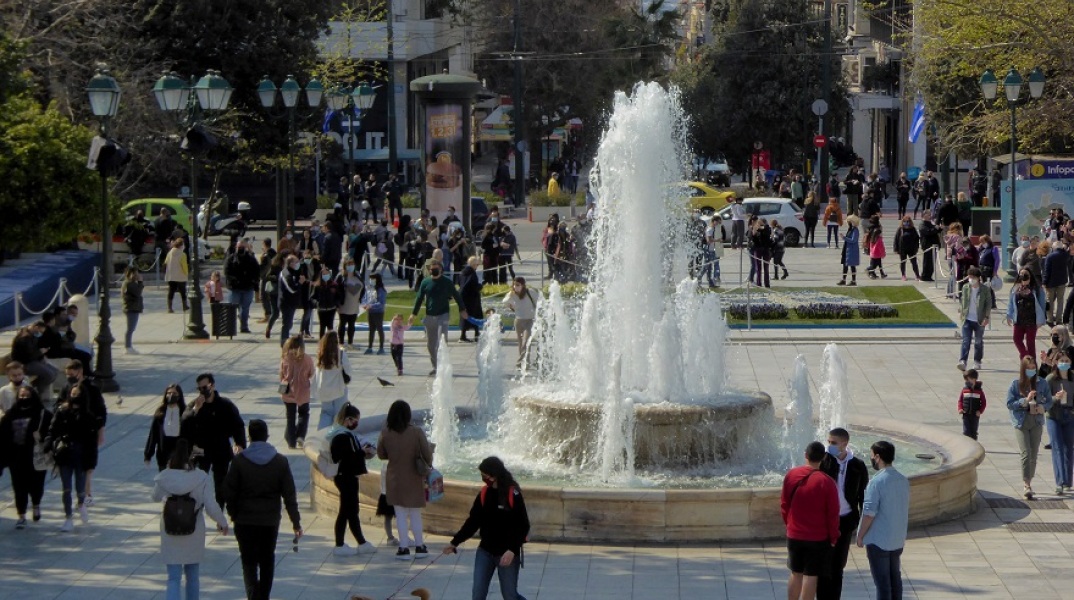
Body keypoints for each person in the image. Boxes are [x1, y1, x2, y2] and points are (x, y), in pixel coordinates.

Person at [222, 419, 302, 600]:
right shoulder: (280, 462)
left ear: (249, 437)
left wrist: (233, 513)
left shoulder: (240, 462)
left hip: (245, 520)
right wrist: (296, 522)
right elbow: (289, 495)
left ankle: (253, 596)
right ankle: (263, 596)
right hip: (270, 520)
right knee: (267, 560)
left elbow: (229, 491)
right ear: (267, 436)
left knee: (248, 562)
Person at [443, 456, 531, 600]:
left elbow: (523, 525)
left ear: (494, 475)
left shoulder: (512, 494)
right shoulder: (484, 494)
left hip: (507, 553)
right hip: (485, 551)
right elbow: (473, 522)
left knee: (510, 595)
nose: (483, 478)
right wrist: (454, 542)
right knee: (478, 594)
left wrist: (512, 550)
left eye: (485, 475)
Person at [152, 439, 229, 600]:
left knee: (173, 577)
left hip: (170, 528)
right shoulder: (201, 477)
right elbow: (210, 505)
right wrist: (222, 522)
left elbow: (155, 497)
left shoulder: (165, 477)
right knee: (192, 576)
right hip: (193, 529)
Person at [781, 441, 840, 600]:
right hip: (817, 538)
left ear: (805, 455)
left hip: (794, 535)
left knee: (795, 573)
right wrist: (834, 537)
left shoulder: (791, 475)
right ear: (823, 458)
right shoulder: (827, 482)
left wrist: (790, 525)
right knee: (811, 576)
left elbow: (784, 504)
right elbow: (833, 514)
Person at [377, 400, 434, 560]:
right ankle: (420, 546)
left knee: (400, 514)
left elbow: (381, 454)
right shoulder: (416, 432)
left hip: (394, 478)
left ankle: (403, 548)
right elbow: (427, 455)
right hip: (414, 477)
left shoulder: (385, 433)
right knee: (415, 513)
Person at [817, 429, 869, 600]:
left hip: (846, 521)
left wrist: (860, 521)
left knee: (838, 566)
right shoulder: (824, 462)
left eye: (833, 442)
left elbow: (863, 494)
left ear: (844, 444)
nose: (829, 445)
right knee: (823, 566)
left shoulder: (857, 465)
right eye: (828, 442)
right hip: (825, 522)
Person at [856, 441, 911, 600]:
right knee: (895, 580)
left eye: (872, 455)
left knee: (883, 584)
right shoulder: (902, 479)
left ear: (878, 457)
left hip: (879, 540)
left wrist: (860, 535)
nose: (871, 459)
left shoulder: (877, 482)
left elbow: (869, 513)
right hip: (897, 539)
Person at [181, 373, 246, 508]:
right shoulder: (195, 404)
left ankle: (219, 511)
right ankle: (196, 509)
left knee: (221, 482)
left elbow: (238, 425)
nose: (202, 391)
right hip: (200, 449)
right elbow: (185, 422)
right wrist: (195, 410)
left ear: (212, 385)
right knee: (198, 481)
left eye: (205, 387)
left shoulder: (225, 404)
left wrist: (239, 443)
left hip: (220, 449)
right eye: (199, 389)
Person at [325, 403, 377, 556]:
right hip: (346, 477)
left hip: (346, 477)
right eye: (355, 420)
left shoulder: (340, 433)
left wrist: (361, 451)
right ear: (348, 419)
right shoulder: (342, 436)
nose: (356, 424)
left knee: (351, 510)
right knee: (347, 511)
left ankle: (361, 542)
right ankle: (341, 544)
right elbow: (345, 458)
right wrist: (362, 452)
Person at [47, 383, 98, 531]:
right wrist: (49, 445)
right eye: (72, 394)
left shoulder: (88, 416)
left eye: (77, 394)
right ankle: (68, 517)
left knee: (80, 487)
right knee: (66, 488)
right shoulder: (62, 411)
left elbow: (91, 442)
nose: (74, 397)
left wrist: (91, 464)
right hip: (65, 454)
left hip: (81, 456)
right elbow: (53, 430)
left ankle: (81, 504)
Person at [0, 386, 51, 529]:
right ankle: (21, 515)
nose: (23, 398)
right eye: (21, 396)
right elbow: (2, 436)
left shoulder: (43, 414)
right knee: (19, 486)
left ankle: (36, 505)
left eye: (27, 395)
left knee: (36, 485)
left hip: (36, 456)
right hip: (16, 457)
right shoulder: (11, 415)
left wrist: (42, 438)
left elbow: (52, 432)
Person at [56, 361, 106, 506]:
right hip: (71, 433)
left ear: (80, 371)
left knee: (89, 464)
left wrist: (101, 430)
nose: (70, 378)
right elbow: (57, 405)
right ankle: (80, 493)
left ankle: (87, 492)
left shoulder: (92, 388)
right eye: (67, 375)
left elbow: (101, 411)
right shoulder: (66, 387)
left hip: (89, 432)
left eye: (72, 374)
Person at [410, 260, 468, 376]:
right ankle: (435, 366)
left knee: (442, 341)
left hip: (443, 315)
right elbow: (419, 298)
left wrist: (462, 309)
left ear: (440, 269)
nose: (433, 270)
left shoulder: (446, 282)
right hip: (430, 315)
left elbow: (456, 296)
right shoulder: (425, 282)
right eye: (431, 269)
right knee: (431, 345)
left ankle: (443, 366)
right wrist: (413, 314)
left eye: (435, 268)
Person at [1007, 356, 1053, 499]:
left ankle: (1030, 479)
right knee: (1026, 452)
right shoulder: (1016, 384)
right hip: (1021, 421)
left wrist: (1043, 407)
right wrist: (1024, 400)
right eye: (1029, 369)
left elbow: (1049, 401)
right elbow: (1009, 403)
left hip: (1036, 421)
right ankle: (1026, 484)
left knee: (1034, 453)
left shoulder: (1042, 383)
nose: (1031, 371)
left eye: (1034, 368)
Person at [278, 335, 314, 450]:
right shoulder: (307, 358)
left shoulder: (285, 358)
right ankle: (301, 435)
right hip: (302, 389)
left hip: (288, 389)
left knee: (290, 417)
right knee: (304, 413)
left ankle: (291, 442)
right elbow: (311, 373)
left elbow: (281, 374)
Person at [1046, 355, 1074, 495]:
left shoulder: (1072, 378)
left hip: (1069, 415)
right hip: (1054, 416)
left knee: (1069, 448)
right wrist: (1055, 397)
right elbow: (1043, 398)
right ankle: (1060, 482)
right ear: (1056, 362)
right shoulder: (1051, 379)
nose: (1064, 363)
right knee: (1057, 448)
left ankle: (1068, 482)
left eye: (1067, 361)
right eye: (1061, 361)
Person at [312, 331, 352, 430]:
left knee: (325, 413)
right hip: (338, 389)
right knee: (339, 415)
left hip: (324, 389)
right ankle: (336, 435)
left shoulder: (320, 354)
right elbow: (348, 372)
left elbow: (316, 373)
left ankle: (321, 434)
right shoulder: (341, 354)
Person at [144, 384, 187, 471]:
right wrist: (148, 455)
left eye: (174, 393)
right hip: (164, 451)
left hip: (179, 451)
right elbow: (153, 434)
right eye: (169, 393)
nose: (171, 395)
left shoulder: (184, 412)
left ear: (179, 395)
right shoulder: (161, 412)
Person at [1005, 269, 1046, 360]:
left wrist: (1041, 320)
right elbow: (1011, 303)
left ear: (1030, 276)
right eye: (1021, 274)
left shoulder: (1037, 289)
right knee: (1017, 339)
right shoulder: (1015, 288)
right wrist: (1009, 315)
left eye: (1025, 274)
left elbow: (1042, 305)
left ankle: (1032, 367)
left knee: (1030, 343)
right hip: (1018, 319)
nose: (1023, 276)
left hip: (1031, 320)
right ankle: (1027, 359)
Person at [957, 267, 993, 371]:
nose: (970, 279)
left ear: (978, 278)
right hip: (967, 319)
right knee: (966, 341)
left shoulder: (984, 290)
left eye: (973, 277)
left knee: (978, 342)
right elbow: (963, 299)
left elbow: (988, 303)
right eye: (969, 277)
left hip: (979, 320)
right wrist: (961, 310)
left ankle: (977, 361)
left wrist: (987, 317)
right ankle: (963, 361)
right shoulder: (965, 287)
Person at [11, 322, 57, 400]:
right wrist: (40, 353)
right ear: (35, 327)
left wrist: (41, 357)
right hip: (24, 364)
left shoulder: (32, 336)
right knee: (50, 375)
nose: (40, 334)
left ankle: (33, 387)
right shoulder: (24, 338)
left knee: (55, 371)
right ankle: (37, 392)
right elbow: (29, 355)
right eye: (40, 331)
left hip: (32, 360)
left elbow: (34, 350)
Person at [226, 239, 261, 334]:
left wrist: (254, 282)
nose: (240, 249)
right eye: (239, 247)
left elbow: (257, 271)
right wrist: (233, 281)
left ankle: (244, 327)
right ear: (236, 248)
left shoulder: (251, 259)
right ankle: (230, 328)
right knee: (232, 308)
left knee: (245, 309)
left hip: (247, 288)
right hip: (235, 289)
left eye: (242, 247)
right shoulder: (231, 259)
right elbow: (227, 272)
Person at [503, 277, 540, 368]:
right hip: (518, 321)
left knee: (526, 342)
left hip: (530, 320)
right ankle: (525, 363)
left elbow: (540, 301)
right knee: (520, 343)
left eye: (518, 285)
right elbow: (505, 302)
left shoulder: (530, 292)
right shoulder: (512, 294)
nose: (515, 287)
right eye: (514, 285)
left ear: (523, 285)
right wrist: (512, 305)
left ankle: (519, 362)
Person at [337, 258, 364, 349]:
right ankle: (341, 342)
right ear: (345, 266)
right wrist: (337, 303)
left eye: (352, 264)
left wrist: (360, 298)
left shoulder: (357, 275)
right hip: (344, 304)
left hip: (355, 304)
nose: (350, 266)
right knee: (343, 323)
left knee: (352, 324)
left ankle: (350, 342)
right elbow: (336, 290)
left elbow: (363, 287)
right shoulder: (341, 276)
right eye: (348, 265)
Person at [1042, 240, 1070, 327]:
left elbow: (1047, 270)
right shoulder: (1065, 255)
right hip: (1062, 281)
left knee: (1050, 301)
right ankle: (1059, 320)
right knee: (1060, 301)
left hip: (1051, 282)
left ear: (1053, 248)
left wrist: (1044, 282)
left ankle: (1050, 319)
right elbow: (1067, 251)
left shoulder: (1050, 256)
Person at [459, 257, 484, 343]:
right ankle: (476, 334)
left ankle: (463, 335)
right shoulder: (472, 274)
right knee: (475, 315)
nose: (477, 266)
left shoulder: (462, 272)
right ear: (473, 264)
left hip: (463, 298)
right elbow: (473, 286)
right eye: (477, 264)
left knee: (464, 316)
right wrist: (480, 286)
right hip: (472, 299)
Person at [120, 266, 144, 354]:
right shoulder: (129, 283)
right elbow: (138, 293)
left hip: (133, 308)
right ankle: (128, 346)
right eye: (135, 273)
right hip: (131, 308)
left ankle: (128, 346)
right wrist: (140, 282)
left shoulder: (131, 283)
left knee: (131, 328)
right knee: (130, 329)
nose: (137, 275)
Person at [363, 272, 388, 354]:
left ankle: (381, 347)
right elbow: (367, 298)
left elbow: (381, 303)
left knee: (379, 329)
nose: (371, 281)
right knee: (371, 330)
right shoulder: (371, 289)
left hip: (378, 312)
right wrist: (365, 304)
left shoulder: (381, 290)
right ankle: (370, 347)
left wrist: (371, 306)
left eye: (372, 279)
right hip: (370, 312)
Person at [958, 369, 986, 440]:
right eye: (966, 380)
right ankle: (966, 445)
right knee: (966, 432)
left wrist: (980, 411)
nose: (967, 381)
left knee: (973, 432)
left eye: (969, 379)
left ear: (974, 379)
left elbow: (983, 402)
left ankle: (974, 445)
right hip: (966, 414)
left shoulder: (979, 391)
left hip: (975, 415)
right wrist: (960, 409)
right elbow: (960, 400)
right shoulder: (964, 390)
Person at [164, 238, 189, 313]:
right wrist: (186, 273)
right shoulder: (182, 254)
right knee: (183, 291)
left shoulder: (170, 253)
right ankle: (185, 306)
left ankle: (169, 308)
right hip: (180, 275)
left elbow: (165, 263)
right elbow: (184, 265)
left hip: (171, 275)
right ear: (181, 245)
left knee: (171, 291)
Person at [837, 216, 861, 286]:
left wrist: (844, 237)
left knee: (852, 265)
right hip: (847, 249)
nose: (848, 223)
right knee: (845, 265)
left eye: (849, 222)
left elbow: (853, 240)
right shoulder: (850, 229)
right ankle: (843, 279)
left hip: (852, 250)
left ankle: (854, 281)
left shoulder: (855, 230)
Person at [257, 239, 277, 324]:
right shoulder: (274, 253)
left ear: (264, 244)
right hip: (272, 277)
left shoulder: (266, 256)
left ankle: (267, 315)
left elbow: (262, 268)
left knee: (264, 296)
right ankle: (271, 313)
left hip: (266, 278)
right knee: (271, 296)